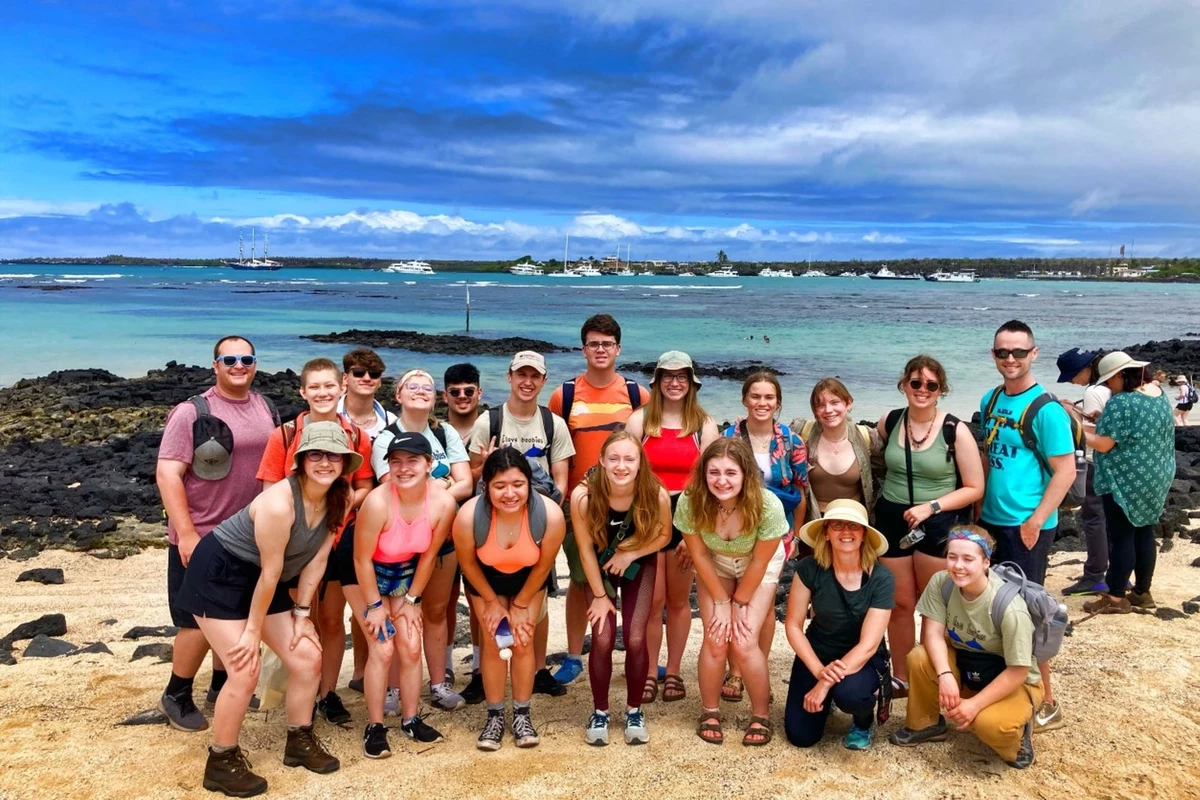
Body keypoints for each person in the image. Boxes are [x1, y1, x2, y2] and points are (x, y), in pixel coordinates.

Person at [176, 421, 358, 796]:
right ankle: (221, 760)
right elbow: (271, 573)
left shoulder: (343, 496)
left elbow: (318, 559)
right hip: (220, 574)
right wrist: (252, 632)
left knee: (307, 657)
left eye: (334, 456)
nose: (325, 462)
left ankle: (299, 739)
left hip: (263, 578)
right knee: (244, 668)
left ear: (345, 462)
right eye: (317, 455)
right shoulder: (279, 503)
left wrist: (303, 615)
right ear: (302, 460)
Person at [156, 335, 278, 733]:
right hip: (204, 534)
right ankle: (176, 693)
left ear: (255, 363)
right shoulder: (192, 412)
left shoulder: (266, 407)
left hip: (248, 535)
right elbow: (168, 473)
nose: (238, 365)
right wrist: (187, 533)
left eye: (246, 358)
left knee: (236, 615)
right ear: (215, 365)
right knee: (195, 622)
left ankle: (222, 684)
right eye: (230, 359)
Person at [256, 358, 375, 726]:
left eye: (329, 386)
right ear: (303, 392)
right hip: (297, 543)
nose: (323, 393)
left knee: (331, 618)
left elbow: (365, 484)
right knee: (298, 617)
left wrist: (336, 512)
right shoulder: (286, 436)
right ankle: (300, 687)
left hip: (339, 540)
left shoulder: (356, 437)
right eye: (315, 387)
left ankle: (326, 692)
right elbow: (269, 490)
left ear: (342, 388)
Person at [979, 320, 1075, 734]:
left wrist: (1036, 521)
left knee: (1031, 614)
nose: (1011, 359)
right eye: (1003, 352)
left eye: (1019, 352)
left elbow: (1066, 471)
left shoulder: (1046, 410)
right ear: (994, 355)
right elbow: (988, 459)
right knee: (992, 610)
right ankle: (1004, 686)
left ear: (1034, 354)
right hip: (991, 521)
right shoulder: (990, 399)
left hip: (1027, 527)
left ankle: (1046, 699)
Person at [873, 355, 984, 698]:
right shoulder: (889, 422)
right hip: (892, 518)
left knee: (937, 607)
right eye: (916, 383)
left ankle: (934, 675)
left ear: (941, 390)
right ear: (904, 384)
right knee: (900, 603)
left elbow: (974, 487)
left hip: (939, 521)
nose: (922, 390)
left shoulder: (956, 430)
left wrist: (931, 506)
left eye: (931, 385)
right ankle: (903, 677)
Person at [547, 314, 649, 686]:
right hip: (581, 506)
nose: (600, 349)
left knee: (636, 582)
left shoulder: (638, 395)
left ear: (618, 349)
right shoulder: (566, 395)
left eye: (607, 344)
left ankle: (640, 657)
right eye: (593, 343)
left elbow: (645, 451)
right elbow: (555, 449)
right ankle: (575, 654)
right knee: (579, 581)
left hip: (629, 505)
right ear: (583, 348)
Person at [889, 526, 1042, 770]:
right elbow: (933, 633)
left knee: (989, 725)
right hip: (968, 662)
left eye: (968, 559)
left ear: (985, 562)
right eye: (952, 557)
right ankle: (926, 723)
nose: (958, 566)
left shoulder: (1009, 607)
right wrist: (945, 674)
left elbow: (1018, 671)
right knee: (920, 656)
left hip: (1009, 677)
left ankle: (1019, 735)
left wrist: (974, 705)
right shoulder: (943, 582)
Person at [469, 351, 574, 698]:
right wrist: (484, 465)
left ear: (543, 381)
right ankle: (483, 671)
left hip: (536, 521)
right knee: (484, 601)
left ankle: (539, 668)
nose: (527, 382)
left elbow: (560, 480)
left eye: (534, 376)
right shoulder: (490, 421)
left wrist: (541, 518)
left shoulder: (552, 423)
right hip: (494, 520)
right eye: (521, 375)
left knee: (537, 602)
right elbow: (472, 478)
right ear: (509, 377)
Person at [675, 437, 788, 746]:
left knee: (743, 638)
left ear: (745, 475)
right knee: (714, 635)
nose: (721, 481)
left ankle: (761, 714)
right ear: (703, 474)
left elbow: (763, 559)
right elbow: (697, 555)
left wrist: (738, 603)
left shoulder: (767, 505)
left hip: (758, 563)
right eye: (714, 473)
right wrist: (721, 601)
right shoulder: (690, 501)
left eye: (730, 473)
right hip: (714, 561)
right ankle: (709, 711)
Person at [453, 448, 567, 751]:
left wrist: (519, 606)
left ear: (529, 483)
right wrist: (492, 603)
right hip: (484, 581)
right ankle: (493, 716)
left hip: (528, 580)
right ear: (486, 486)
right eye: (499, 486)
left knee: (522, 639)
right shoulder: (468, 517)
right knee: (495, 639)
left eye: (517, 484)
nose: (509, 493)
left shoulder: (550, 515)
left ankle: (521, 714)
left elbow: (544, 566)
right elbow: (467, 565)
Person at [354, 431, 458, 757]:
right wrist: (374, 606)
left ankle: (411, 719)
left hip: (404, 573)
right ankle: (375, 726)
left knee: (411, 644)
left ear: (429, 464)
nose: (403, 468)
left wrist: (412, 601)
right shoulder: (377, 502)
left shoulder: (443, 502)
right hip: (364, 572)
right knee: (383, 649)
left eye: (412, 460)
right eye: (396, 462)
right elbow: (360, 559)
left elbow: (428, 556)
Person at [372, 369, 472, 711]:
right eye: (411, 386)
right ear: (397, 395)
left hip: (442, 538)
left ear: (435, 396)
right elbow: (393, 483)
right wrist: (442, 487)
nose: (420, 391)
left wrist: (434, 488)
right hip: (398, 546)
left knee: (435, 610)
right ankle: (395, 688)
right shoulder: (386, 438)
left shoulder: (445, 433)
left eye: (427, 387)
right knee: (399, 614)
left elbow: (466, 482)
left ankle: (439, 683)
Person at [624, 350, 719, 705]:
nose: (675, 383)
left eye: (682, 377)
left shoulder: (703, 425)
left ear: (691, 382)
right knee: (652, 601)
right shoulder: (639, 422)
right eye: (668, 376)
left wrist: (695, 532)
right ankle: (650, 671)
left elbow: (710, 483)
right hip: (647, 512)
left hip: (687, 514)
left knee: (679, 601)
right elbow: (625, 471)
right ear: (658, 381)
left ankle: (674, 669)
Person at [571, 432, 672, 745]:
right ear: (601, 460)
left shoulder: (655, 494)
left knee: (636, 637)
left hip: (639, 562)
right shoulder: (583, 496)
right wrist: (600, 596)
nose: (621, 466)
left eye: (629, 458)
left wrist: (630, 553)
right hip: (599, 566)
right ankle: (600, 711)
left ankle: (634, 709)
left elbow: (664, 536)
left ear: (640, 463)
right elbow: (585, 550)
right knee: (601, 639)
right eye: (613, 458)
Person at [721, 370, 808, 702]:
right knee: (732, 600)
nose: (762, 402)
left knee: (765, 604)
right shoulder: (728, 436)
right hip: (731, 531)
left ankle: (753, 666)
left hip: (777, 533)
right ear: (745, 400)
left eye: (769, 397)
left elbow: (800, 490)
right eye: (755, 396)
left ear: (778, 403)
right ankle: (734, 671)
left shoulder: (791, 441)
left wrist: (797, 535)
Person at [783, 499, 893, 750]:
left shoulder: (881, 577)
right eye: (837, 525)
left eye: (853, 526)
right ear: (826, 533)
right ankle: (830, 694)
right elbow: (793, 625)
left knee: (851, 694)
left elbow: (868, 645)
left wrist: (824, 684)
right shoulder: (809, 568)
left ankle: (863, 721)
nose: (846, 532)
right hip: (818, 652)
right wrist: (819, 670)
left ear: (864, 534)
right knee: (800, 736)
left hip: (861, 659)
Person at [1082, 352, 1175, 614]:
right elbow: (1136, 430)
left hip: (1126, 479)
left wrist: (1074, 430)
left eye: (1110, 380)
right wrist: (1099, 421)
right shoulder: (1158, 394)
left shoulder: (1121, 403)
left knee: (1121, 537)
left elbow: (1103, 443)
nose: (1108, 385)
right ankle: (1142, 592)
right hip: (1157, 475)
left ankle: (1114, 598)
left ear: (1123, 375)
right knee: (1144, 531)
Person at [334, 347, 396, 697]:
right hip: (332, 521)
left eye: (373, 374)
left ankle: (362, 672)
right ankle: (325, 688)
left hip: (375, 526)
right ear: (346, 378)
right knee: (327, 610)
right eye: (359, 373)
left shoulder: (389, 423)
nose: (366, 379)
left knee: (369, 603)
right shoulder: (328, 416)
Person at [441, 362, 485, 702]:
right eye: (455, 392)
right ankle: (443, 667)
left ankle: (481, 669)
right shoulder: (437, 431)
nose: (462, 397)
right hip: (442, 526)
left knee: (478, 600)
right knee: (441, 602)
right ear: (445, 396)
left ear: (479, 393)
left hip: (482, 526)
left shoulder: (487, 426)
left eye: (468, 391)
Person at [1055, 348, 1112, 596]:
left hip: (1095, 462)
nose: (1071, 381)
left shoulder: (1093, 391)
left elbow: (1087, 435)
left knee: (1093, 518)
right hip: (1114, 463)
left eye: (1071, 376)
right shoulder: (1111, 387)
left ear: (1084, 370)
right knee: (1110, 519)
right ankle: (1117, 572)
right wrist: (1077, 411)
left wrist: (1069, 414)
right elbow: (1102, 422)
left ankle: (1094, 576)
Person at [790, 377, 879, 520]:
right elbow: (769, 442)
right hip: (811, 519)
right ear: (814, 410)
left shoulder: (867, 437)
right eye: (820, 405)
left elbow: (892, 468)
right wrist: (746, 426)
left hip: (852, 521)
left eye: (834, 402)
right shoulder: (801, 433)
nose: (828, 410)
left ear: (848, 403)